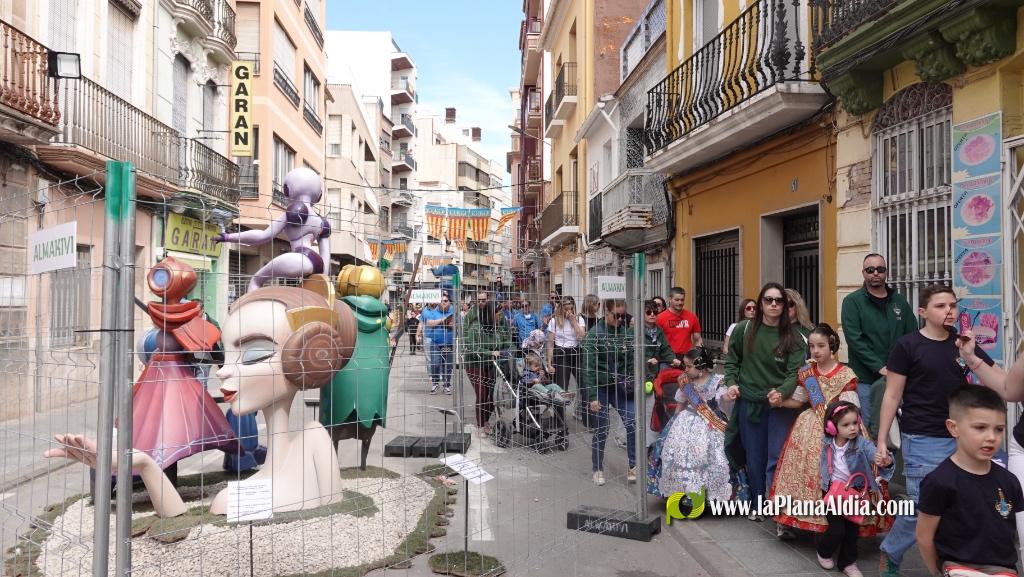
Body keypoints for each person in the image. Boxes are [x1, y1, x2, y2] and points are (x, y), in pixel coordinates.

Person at [875, 284, 1005, 577]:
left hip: (962, 436)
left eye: (953, 305)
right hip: (922, 436)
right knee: (923, 504)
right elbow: (892, 395)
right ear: (923, 312)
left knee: (963, 498)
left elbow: (993, 375)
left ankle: (956, 560)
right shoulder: (908, 346)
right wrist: (882, 441)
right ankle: (891, 551)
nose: (949, 311)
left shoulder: (962, 343)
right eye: (941, 306)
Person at [769, 324, 891, 540]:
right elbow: (799, 400)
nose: (815, 351)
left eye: (821, 346)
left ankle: (841, 519)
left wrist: (842, 426)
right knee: (803, 473)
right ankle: (796, 519)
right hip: (808, 429)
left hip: (840, 429)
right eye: (812, 346)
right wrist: (779, 401)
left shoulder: (846, 374)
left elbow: (851, 408)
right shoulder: (807, 372)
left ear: (832, 346)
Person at [917, 385, 1022, 577]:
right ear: (953, 427)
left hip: (1004, 571)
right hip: (958, 569)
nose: (991, 437)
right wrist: (937, 572)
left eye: (999, 429)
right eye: (980, 428)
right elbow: (924, 537)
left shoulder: (1009, 481)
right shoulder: (939, 482)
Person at [724, 282, 807, 519]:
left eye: (778, 301)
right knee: (755, 456)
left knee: (779, 456)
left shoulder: (795, 337)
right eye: (768, 300)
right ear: (760, 303)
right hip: (750, 404)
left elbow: (795, 373)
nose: (773, 304)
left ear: (785, 305)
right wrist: (731, 383)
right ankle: (758, 504)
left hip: (781, 405)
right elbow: (732, 361)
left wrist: (782, 391)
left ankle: (781, 509)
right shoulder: (744, 329)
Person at [815, 401, 894, 577]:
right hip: (832, 491)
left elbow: (873, 453)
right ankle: (823, 548)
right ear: (832, 427)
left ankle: (848, 563)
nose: (852, 428)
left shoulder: (861, 444)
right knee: (837, 529)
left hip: (855, 494)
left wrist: (884, 460)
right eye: (845, 425)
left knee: (852, 531)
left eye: (855, 423)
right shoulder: (827, 443)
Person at [840, 254, 918, 429]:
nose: (875, 273)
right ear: (863, 273)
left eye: (880, 269)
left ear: (886, 272)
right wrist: (880, 368)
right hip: (867, 381)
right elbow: (855, 340)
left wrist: (904, 367)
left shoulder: (899, 301)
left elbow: (912, 334)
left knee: (899, 428)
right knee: (869, 428)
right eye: (870, 270)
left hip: (898, 378)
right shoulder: (852, 302)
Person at [647, 348, 731, 501]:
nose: (685, 370)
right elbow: (680, 405)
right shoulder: (685, 381)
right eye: (685, 366)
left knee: (711, 456)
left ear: (701, 367)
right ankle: (682, 492)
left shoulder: (718, 381)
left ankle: (707, 494)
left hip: (710, 424)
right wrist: (672, 426)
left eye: (689, 366)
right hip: (686, 421)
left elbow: (723, 400)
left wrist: (729, 395)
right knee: (678, 455)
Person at [583, 298, 637, 486]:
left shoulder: (626, 333)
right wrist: (592, 397)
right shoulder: (593, 335)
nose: (621, 319)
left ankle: (633, 465)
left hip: (621, 387)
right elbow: (588, 368)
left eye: (623, 315)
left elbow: (630, 361)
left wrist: (631, 380)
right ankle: (597, 468)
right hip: (601, 388)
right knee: (602, 429)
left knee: (632, 422)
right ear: (606, 312)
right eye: (617, 316)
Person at [464, 301, 513, 435]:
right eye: (498, 314)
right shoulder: (475, 328)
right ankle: (480, 425)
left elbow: (507, 342)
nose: (500, 316)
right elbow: (472, 348)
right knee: (482, 393)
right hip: (475, 363)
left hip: (491, 364)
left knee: (493, 394)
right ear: (490, 315)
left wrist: (513, 350)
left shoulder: (498, 328)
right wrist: (490, 352)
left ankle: (485, 421)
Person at [545, 296, 587, 416]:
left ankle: (586, 416)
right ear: (561, 308)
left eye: (570, 309)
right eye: (565, 309)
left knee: (585, 385)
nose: (568, 312)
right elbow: (550, 343)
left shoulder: (579, 319)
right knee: (561, 388)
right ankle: (559, 420)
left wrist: (573, 322)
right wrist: (549, 363)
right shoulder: (554, 321)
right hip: (561, 353)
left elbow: (582, 336)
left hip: (576, 352)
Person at [421, 293, 456, 395]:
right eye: (442, 301)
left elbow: (456, 324)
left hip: (448, 344)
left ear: (449, 302)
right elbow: (429, 323)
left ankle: (446, 385)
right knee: (435, 364)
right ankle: (435, 383)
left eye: (446, 301)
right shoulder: (434, 310)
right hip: (436, 343)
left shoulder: (453, 311)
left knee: (448, 365)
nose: (443, 302)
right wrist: (443, 320)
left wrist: (450, 324)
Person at [656, 286, 703, 358]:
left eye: (682, 300)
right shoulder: (660, 318)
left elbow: (698, 339)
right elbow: (656, 340)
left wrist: (698, 354)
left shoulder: (692, 317)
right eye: (677, 300)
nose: (680, 302)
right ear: (670, 299)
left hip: (687, 358)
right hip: (667, 358)